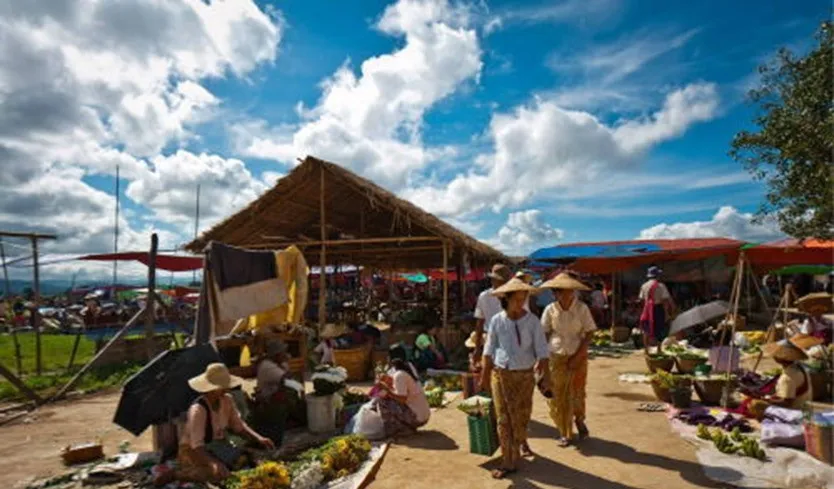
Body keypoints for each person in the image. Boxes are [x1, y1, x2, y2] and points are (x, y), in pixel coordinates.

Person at [155, 363, 274, 485]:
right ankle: (177, 474)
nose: (226, 389)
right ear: (211, 388)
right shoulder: (198, 410)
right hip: (193, 451)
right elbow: (197, 446)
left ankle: (218, 464)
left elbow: (239, 426)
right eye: (222, 387)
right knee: (217, 475)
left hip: (217, 445)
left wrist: (259, 438)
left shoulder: (227, 400)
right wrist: (213, 463)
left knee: (246, 460)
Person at [480, 278, 549, 479]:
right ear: (506, 299)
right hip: (501, 375)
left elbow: (542, 351)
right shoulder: (496, 321)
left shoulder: (533, 321)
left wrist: (544, 374)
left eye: (523, 299)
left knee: (521, 416)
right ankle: (508, 460)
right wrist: (484, 375)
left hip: (525, 376)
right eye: (516, 300)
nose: (520, 303)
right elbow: (488, 349)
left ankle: (517, 444)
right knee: (503, 419)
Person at [540, 272, 596, 447]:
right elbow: (545, 333)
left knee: (577, 393)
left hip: (577, 355)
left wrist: (578, 356)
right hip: (555, 356)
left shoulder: (582, 309)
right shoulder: (550, 309)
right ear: (555, 293)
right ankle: (565, 432)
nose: (566, 294)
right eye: (562, 291)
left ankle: (579, 419)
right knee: (558, 397)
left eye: (569, 291)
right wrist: (540, 359)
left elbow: (589, 333)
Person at [251, 339, 302, 447]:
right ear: (277, 354)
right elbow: (287, 379)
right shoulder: (267, 365)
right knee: (289, 391)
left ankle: (292, 418)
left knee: (293, 391)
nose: (286, 354)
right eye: (283, 352)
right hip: (267, 401)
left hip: (274, 398)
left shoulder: (279, 363)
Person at [374, 344, 430, 437]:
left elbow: (402, 399)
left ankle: (400, 429)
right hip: (423, 414)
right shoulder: (408, 366)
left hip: (417, 417)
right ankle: (406, 426)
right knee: (387, 398)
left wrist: (387, 390)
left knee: (382, 401)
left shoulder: (399, 375)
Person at [763, 335, 821, 409]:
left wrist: (766, 401)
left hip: (795, 412)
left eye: (776, 354)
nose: (773, 356)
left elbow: (787, 403)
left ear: (781, 358)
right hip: (805, 409)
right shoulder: (800, 367)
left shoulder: (787, 377)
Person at [639, 266, 675, 348]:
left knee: (646, 329)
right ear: (657, 275)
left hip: (647, 309)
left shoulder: (644, 286)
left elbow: (641, 299)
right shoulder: (661, 286)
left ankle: (646, 349)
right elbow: (667, 300)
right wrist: (671, 310)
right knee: (659, 329)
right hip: (658, 309)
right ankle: (659, 349)